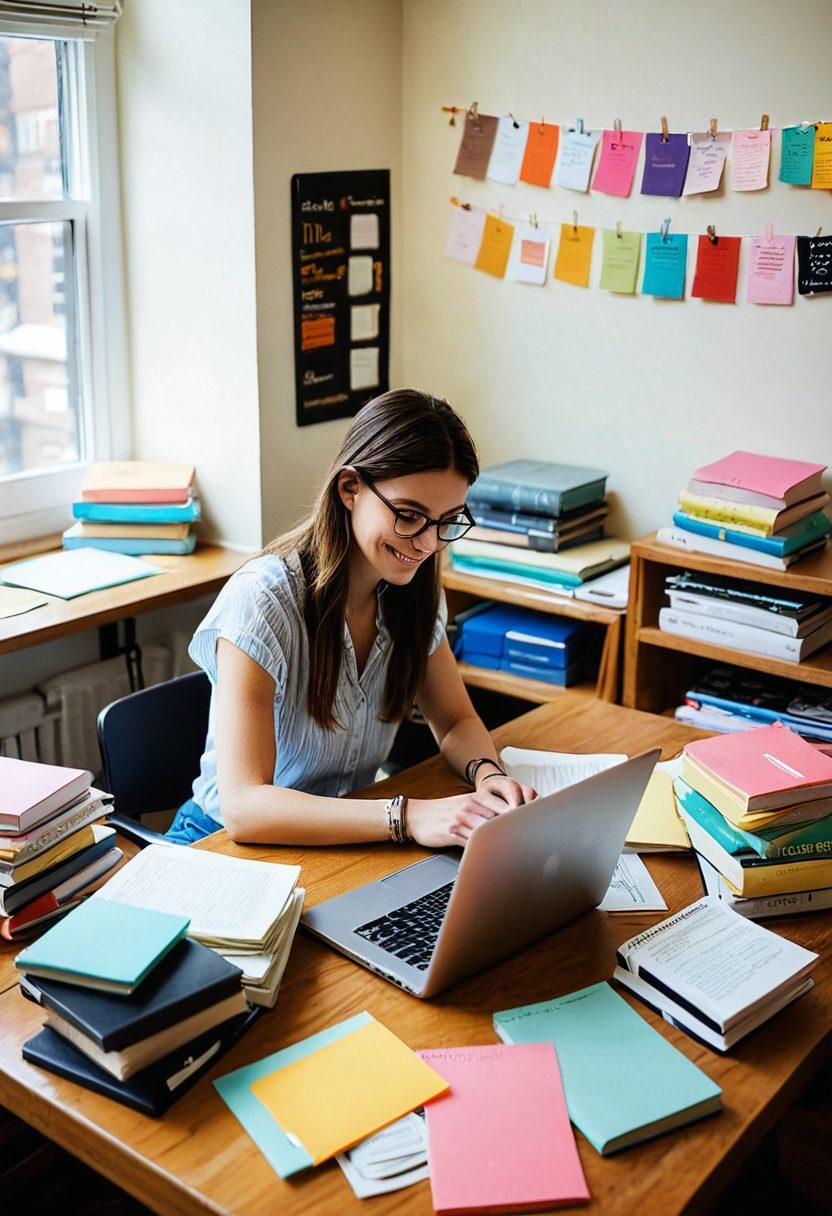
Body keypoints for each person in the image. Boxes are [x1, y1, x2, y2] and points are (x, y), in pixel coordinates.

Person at [166, 389, 536, 848]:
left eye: (447, 521)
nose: (426, 543)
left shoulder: (415, 590)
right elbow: (245, 808)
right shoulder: (263, 599)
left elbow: (456, 720)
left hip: (341, 839)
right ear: (350, 489)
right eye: (408, 515)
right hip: (220, 845)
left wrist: (488, 775)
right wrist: (409, 816)